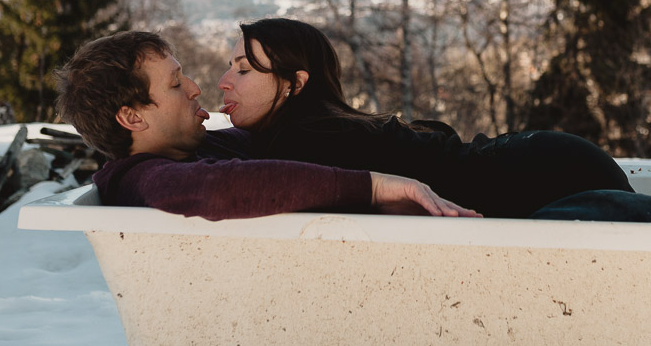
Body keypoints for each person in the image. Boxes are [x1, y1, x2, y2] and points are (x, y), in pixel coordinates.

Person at [217, 17, 651, 229]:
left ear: (295, 84)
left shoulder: (302, 136)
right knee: (646, 219)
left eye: (243, 67)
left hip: (533, 180)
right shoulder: (285, 144)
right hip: (532, 194)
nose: (224, 78)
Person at [54, 31, 480, 221]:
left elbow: (295, 144)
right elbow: (223, 188)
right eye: (175, 82)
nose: (196, 88)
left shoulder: (208, 148)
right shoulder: (141, 178)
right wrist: (376, 188)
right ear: (132, 116)